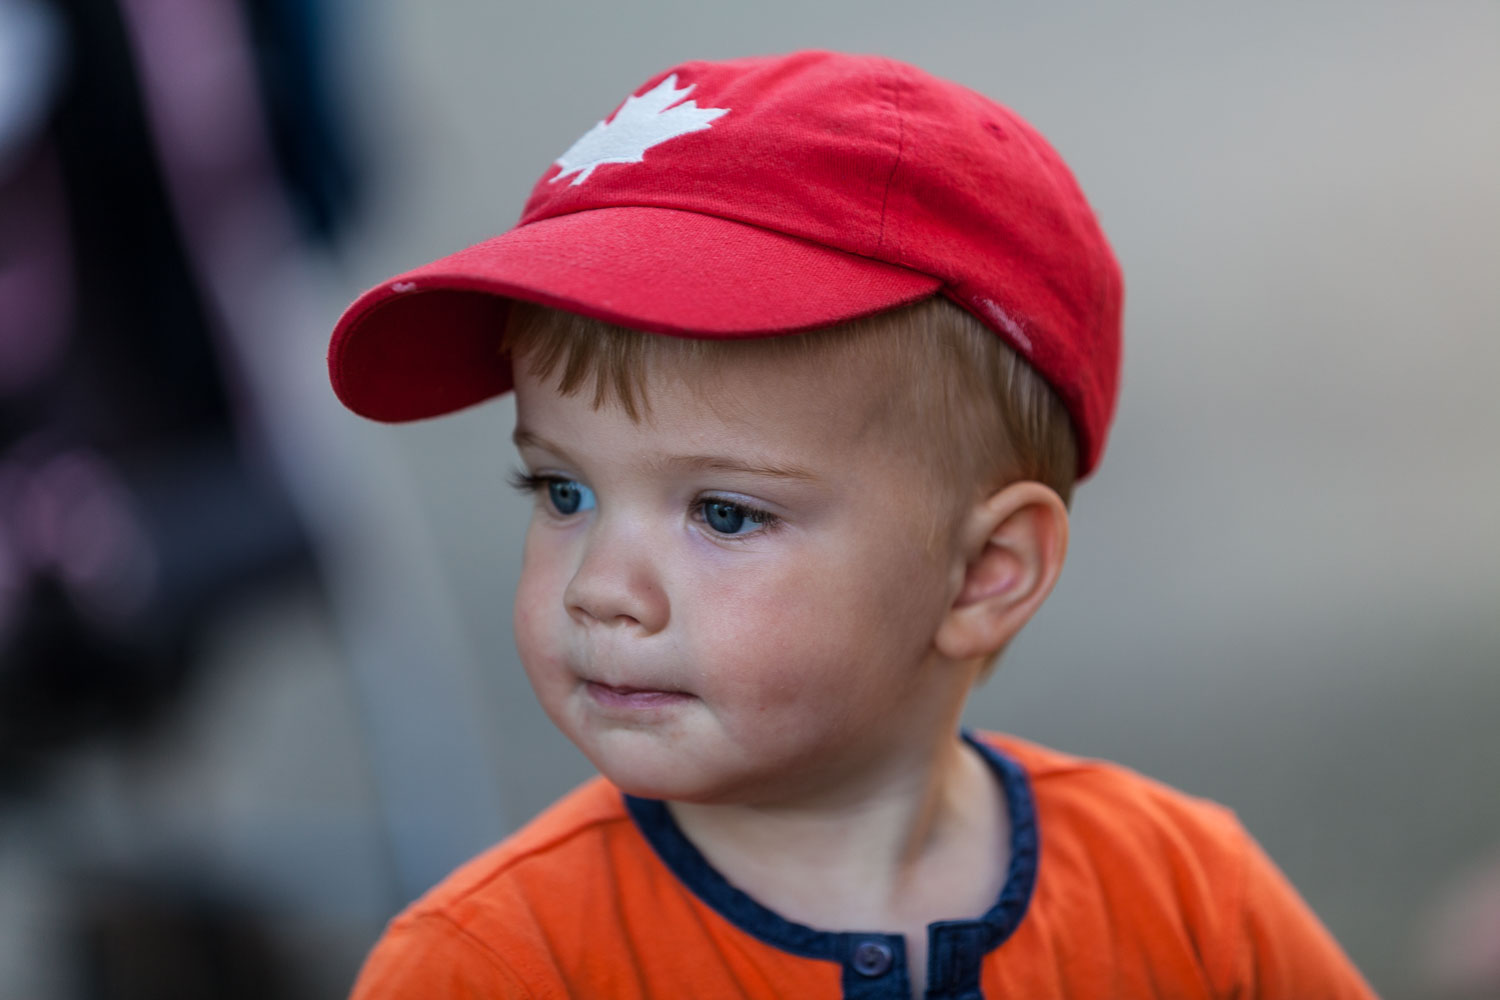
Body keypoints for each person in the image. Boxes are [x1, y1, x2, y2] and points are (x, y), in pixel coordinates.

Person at [327, 50, 1376, 999]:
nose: (600, 586)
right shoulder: (491, 965)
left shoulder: (1188, 902)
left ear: (986, 572)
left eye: (724, 512)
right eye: (564, 492)